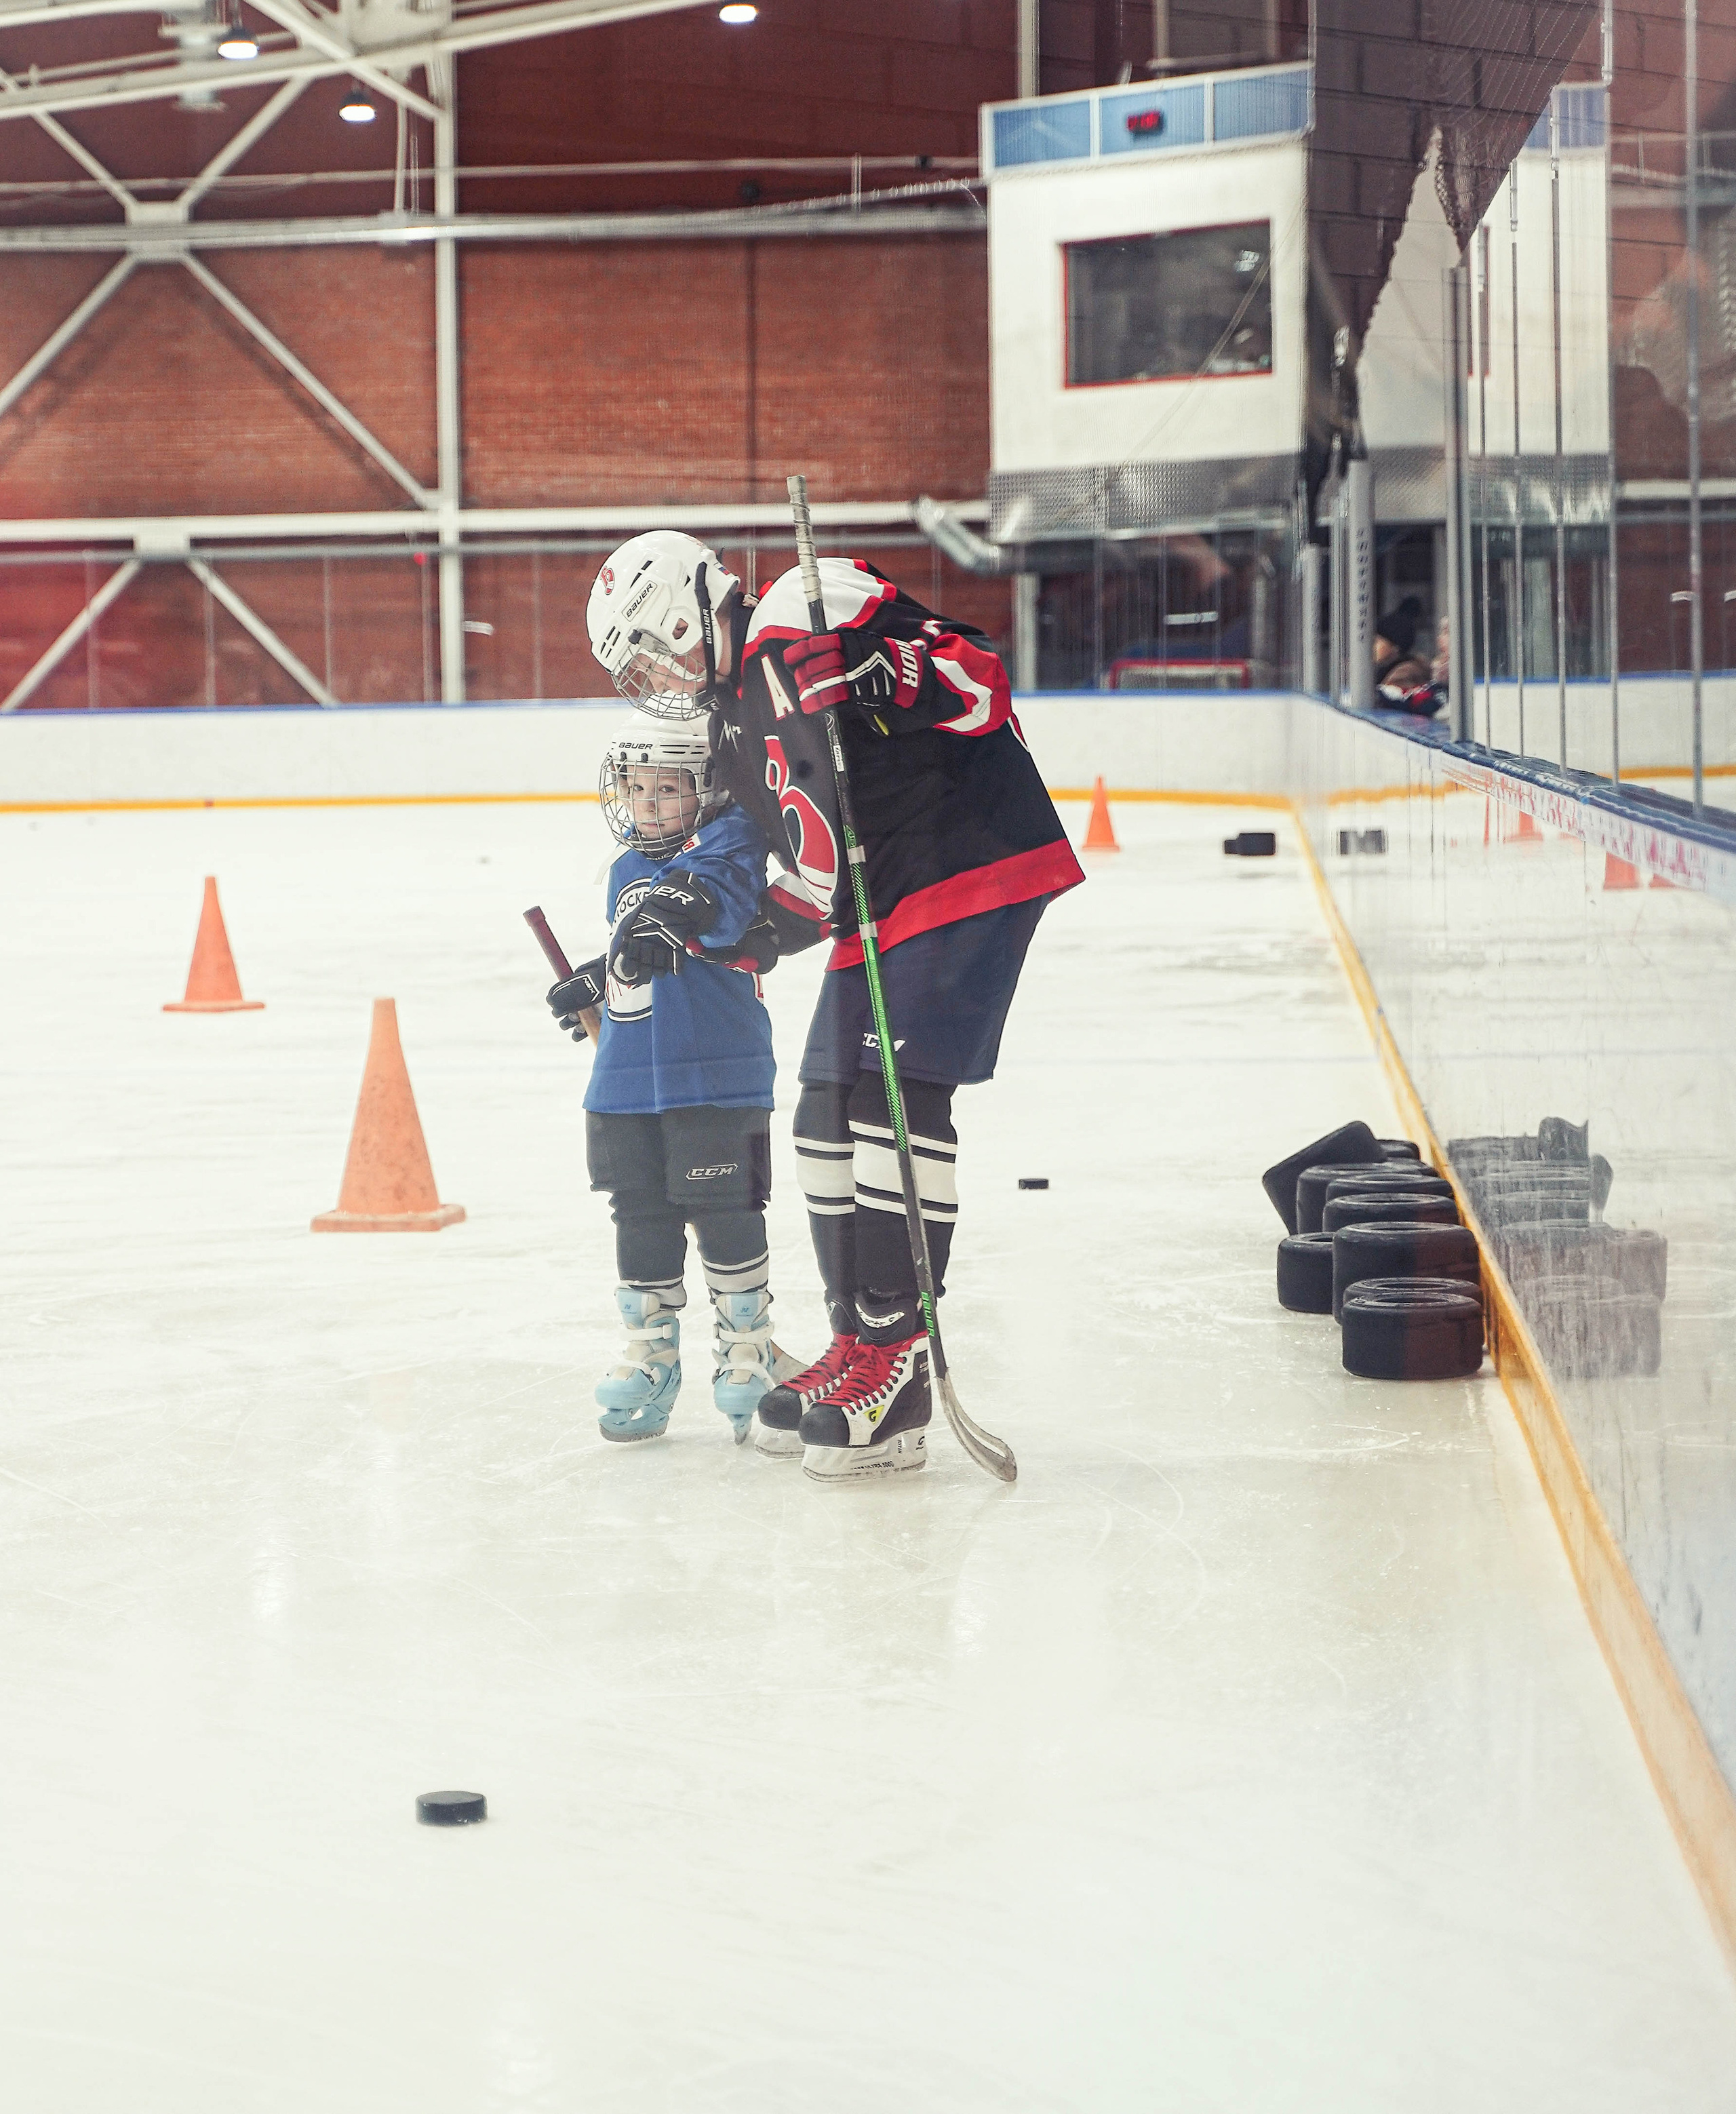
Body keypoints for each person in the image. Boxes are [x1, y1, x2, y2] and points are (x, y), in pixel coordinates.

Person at [585, 532, 1084, 1483]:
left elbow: (977, 679)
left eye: (652, 651)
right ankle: (856, 1341)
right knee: (822, 1105)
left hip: (967, 864)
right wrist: (673, 929)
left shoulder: (804, 607)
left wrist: (885, 668)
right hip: (880, 900)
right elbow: (773, 885)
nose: (653, 677)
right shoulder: (729, 726)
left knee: (887, 1102)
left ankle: (895, 1366)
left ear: (687, 615)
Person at [545, 718, 781, 1446]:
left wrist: (669, 927)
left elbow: (710, 916)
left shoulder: (729, 851)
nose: (647, 805)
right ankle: (651, 1356)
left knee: (722, 1209)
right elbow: (637, 949)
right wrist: (598, 973)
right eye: (637, 790)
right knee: (639, 1213)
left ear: (704, 792)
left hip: (714, 1073)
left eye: (668, 790)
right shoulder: (624, 870)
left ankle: (748, 1350)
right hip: (625, 1079)